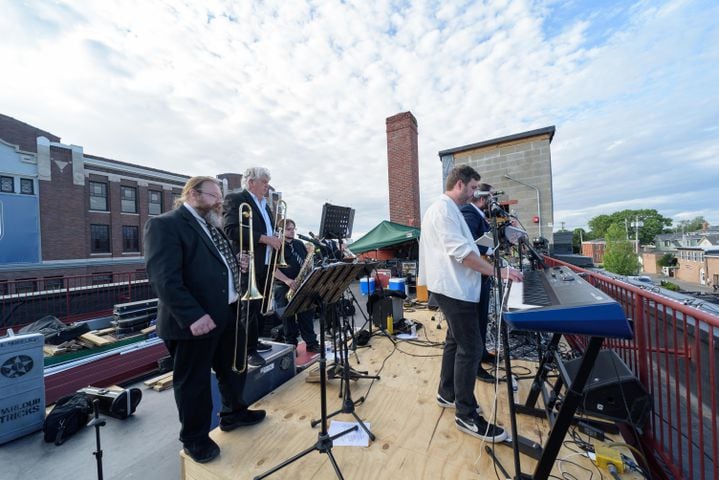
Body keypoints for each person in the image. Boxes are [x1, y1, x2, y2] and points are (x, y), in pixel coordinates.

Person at [144, 176, 266, 464]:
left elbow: (212, 265)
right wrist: (193, 316)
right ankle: (194, 440)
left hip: (226, 312)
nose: (219, 202)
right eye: (213, 196)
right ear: (192, 194)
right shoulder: (165, 224)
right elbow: (163, 279)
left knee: (233, 370)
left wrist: (237, 262)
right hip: (194, 321)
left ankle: (234, 414)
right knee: (194, 384)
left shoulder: (211, 226)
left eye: (219, 197)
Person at [419, 165, 523, 442]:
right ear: (460, 184)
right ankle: (466, 415)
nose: (476, 193)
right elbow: (463, 253)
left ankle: (447, 392)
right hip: (453, 289)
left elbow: (469, 249)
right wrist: (499, 271)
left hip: (453, 287)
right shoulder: (444, 211)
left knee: (455, 341)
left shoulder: (448, 209)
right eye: (474, 187)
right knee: (472, 347)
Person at [223, 167, 282, 367]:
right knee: (248, 308)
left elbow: (268, 230)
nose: (267, 186)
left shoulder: (265, 205)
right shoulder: (236, 200)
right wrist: (265, 239)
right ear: (250, 182)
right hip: (247, 263)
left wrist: (275, 237)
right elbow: (231, 229)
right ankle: (247, 351)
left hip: (265, 262)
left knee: (258, 308)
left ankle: (254, 342)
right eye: (264, 182)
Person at [460, 183, 499, 383]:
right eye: (491, 197)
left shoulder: (477, 214)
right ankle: (475, 365)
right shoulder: (469, 213)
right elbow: (469, 244)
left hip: (482, 274)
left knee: (482, 318)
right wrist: (490, 250)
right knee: (476, 321)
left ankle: (483, 353)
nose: (493, 202)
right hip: (475, 274)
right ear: (482, 198)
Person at [273, 218, 320, 353]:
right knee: (288, 317)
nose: (292, 231)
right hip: (283, 286)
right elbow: (271, 268)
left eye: (293, 229)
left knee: (306, 313)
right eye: (289, 229)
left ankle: (311, 343)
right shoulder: (276, 245)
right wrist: (287, 280)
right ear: (281, 230)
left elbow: (306, 261)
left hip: (301, 284)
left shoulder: (299, 244)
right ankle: (291, 345)